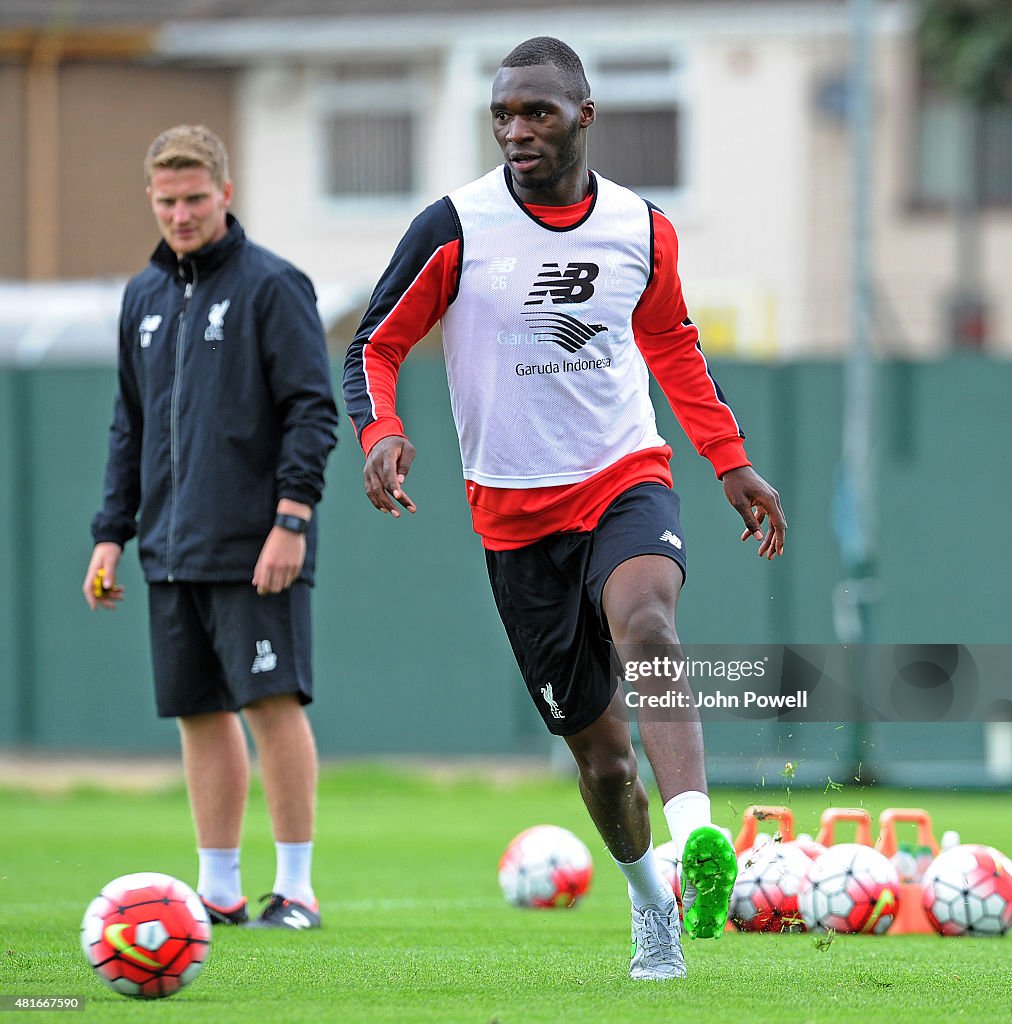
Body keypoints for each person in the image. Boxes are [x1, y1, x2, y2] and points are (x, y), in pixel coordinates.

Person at [344, 37, 786, 979]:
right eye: (502, 114)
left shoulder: (641, 227)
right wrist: (379, 433)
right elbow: (372, 346)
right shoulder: (454, 226)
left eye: (537, 112)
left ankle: (698, 841)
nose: (517, 131)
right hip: (514, 520)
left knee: (649, 624)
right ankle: (649, 902)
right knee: (604, 761)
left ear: (585, 115)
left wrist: (731, 463)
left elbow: (670, 345)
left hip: (624, 474)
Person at [83, 125, 338, 931]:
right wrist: (110, 532)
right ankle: (219, 892)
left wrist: (291, 519)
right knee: (199, 710)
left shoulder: (274, 286)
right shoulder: (143, 298)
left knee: (270, 702)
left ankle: (295, 889)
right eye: (167, 201)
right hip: (169, 544)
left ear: (225, 194)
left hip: (257, 544)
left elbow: (312, 410)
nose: (181, 214)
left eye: (195, 199)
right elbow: (131, 424)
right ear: (151, 200)